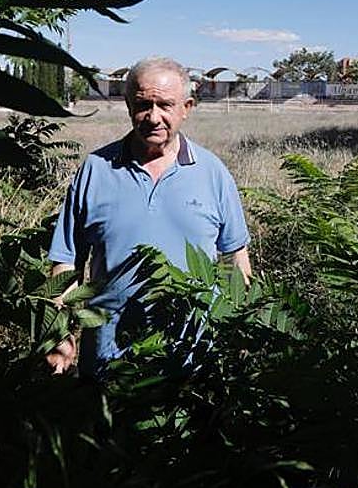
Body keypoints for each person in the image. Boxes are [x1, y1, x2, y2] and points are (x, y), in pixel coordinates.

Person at [45, 56, 252, 376]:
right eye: (143, 105)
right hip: (107, 361)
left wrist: (237, 336)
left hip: (192, 366)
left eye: (165, 105)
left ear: (187, 108)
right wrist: (60, 335)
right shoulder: (96, 170)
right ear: (128, 105)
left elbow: (235, 260)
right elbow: (66, 261)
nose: (153, 117)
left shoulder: (213, 173)